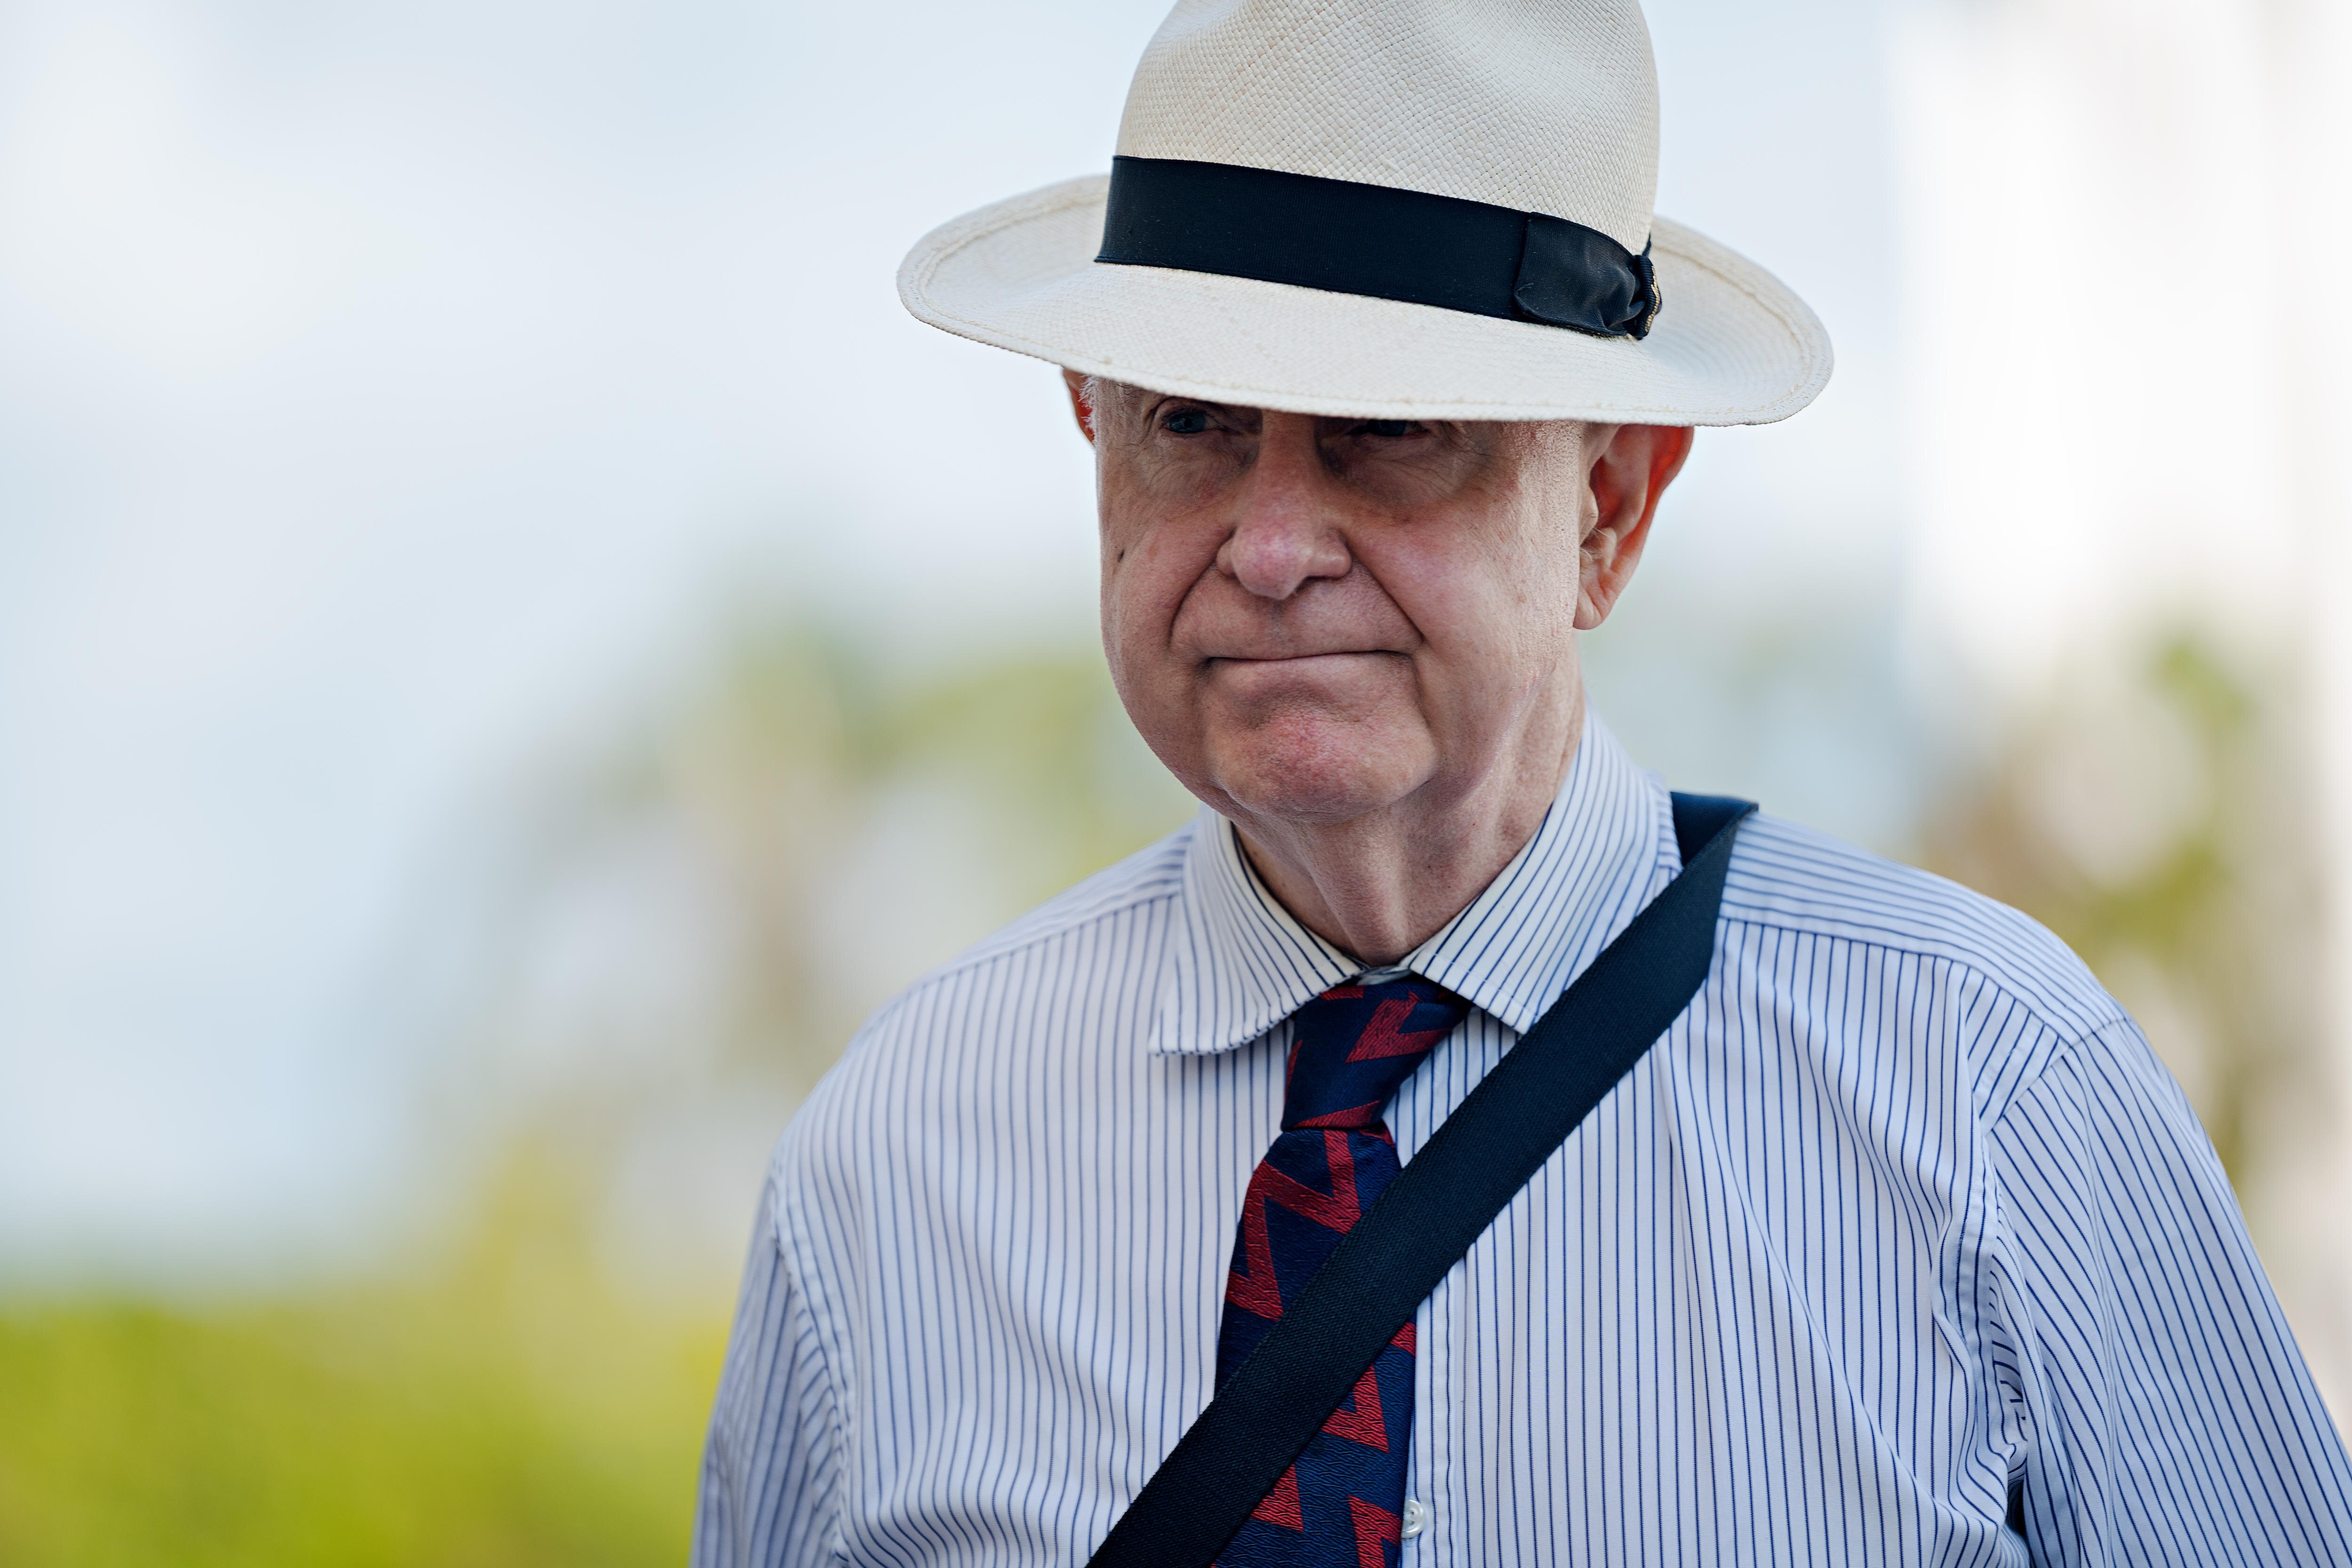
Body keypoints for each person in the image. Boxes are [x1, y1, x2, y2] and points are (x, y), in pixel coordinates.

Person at [695, 1, 2352, 1563]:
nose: (1270, 549)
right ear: (1092, 433)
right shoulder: (898, 1162)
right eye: (1194, 423)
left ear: (1610, 505)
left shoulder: (1990, 1099)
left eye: (1392, 429)